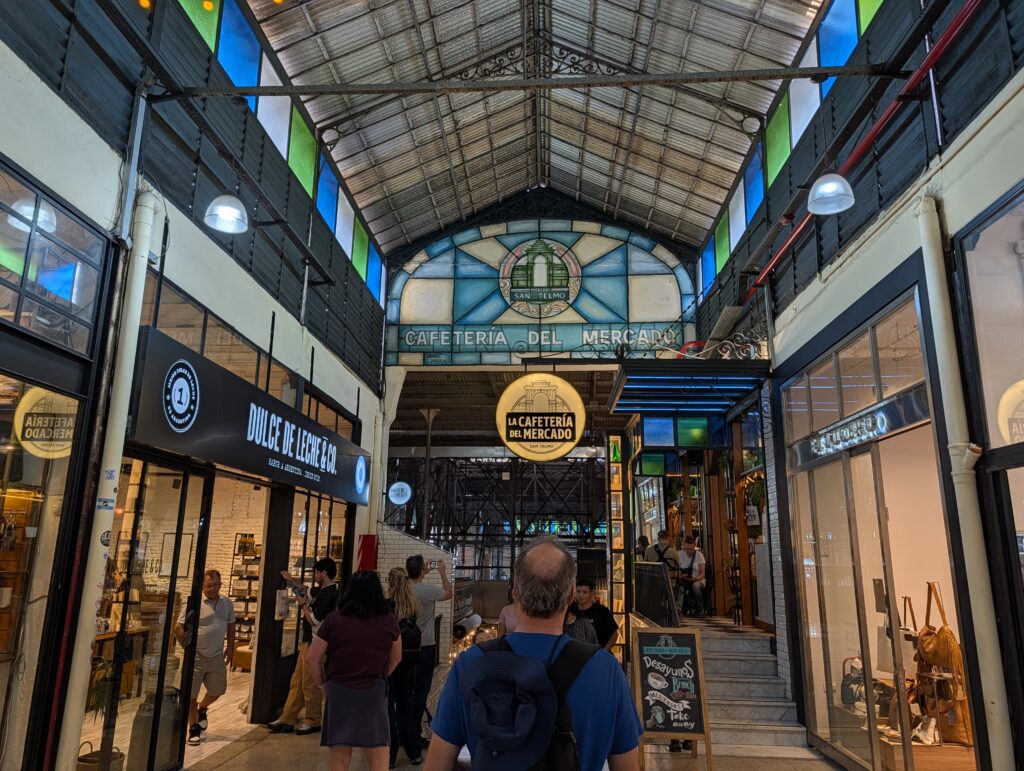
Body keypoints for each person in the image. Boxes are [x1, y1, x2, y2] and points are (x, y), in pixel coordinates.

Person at [424, 536, 641, 771]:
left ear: (515, 591)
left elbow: (437, 765)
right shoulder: (606, 671)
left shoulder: (470, 664)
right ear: (570, 596)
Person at [307, 570, 402, 771]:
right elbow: (396, 657)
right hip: (373, 692)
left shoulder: (334, 619)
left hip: (339, 691)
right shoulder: (388, 620)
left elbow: (312, 658)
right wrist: (381, 676)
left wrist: (323, 686)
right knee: (378, 759)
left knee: (339, 761)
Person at [267, 558, 339, 735]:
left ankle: (313, 720)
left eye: (317, 573)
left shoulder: (331, 595)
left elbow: (314, 620)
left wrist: (303, 605)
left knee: (310, 683)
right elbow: (305, 591)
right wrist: (290, 580)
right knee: (297, 680)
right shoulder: (322, 591)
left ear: (324, 573)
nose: (315, 576)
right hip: (308, 641)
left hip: (317, 643)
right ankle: (288, 717)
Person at [174, 569, 235, 747]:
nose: (212, 588)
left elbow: (231, 624)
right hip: (197, 656)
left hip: (216, 655)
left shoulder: (226, 603)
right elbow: (178, 627)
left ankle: (203, 708)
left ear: (220, 585)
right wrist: (187, 647)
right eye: (209, 585)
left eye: (216, 585)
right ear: (203, 586)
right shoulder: (195, 602)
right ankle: (193, 728)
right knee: (191, 694)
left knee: (218, 689)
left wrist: (231, 646)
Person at [408, 554, 452, 744]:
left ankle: (403, 728)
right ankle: (414, 732)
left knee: (407, 688)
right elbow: (448, 593)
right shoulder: (426, 590)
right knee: (421, 690)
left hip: (405, 646)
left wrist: (422, 571)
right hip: (424, 645)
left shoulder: (404, 588)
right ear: (421, 571)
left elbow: (413, 579)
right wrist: (442, 572)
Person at [386, 567, 423, 768]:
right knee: (405, 705)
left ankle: (391, 756)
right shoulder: (412, 605)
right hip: (408, 661)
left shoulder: (388, 606)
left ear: (391, 582)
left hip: (390, 661)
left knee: (388, 707)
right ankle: (414, 752)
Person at [573, 578, 619, 651]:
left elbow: (614, 635)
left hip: (599, 653)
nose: (581, 595)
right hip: (579, 654)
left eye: (585, 592)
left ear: (591, 594)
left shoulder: (602, 611)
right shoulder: (572, 611)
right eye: (578, 592)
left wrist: (604, 651)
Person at [678, 536, 707, 616]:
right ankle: (680, 609)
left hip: (698, 579)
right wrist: (680, 576)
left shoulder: (699, 555)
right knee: (679, 587)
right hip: (683, 579)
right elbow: (677, 569)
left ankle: (700, 609)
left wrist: (695, 579)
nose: (689, 551)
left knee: (695, 587)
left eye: (691, 549)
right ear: (684, 547)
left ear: (694, 547)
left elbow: (702, 574)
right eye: (687, 549)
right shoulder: (680, 554)